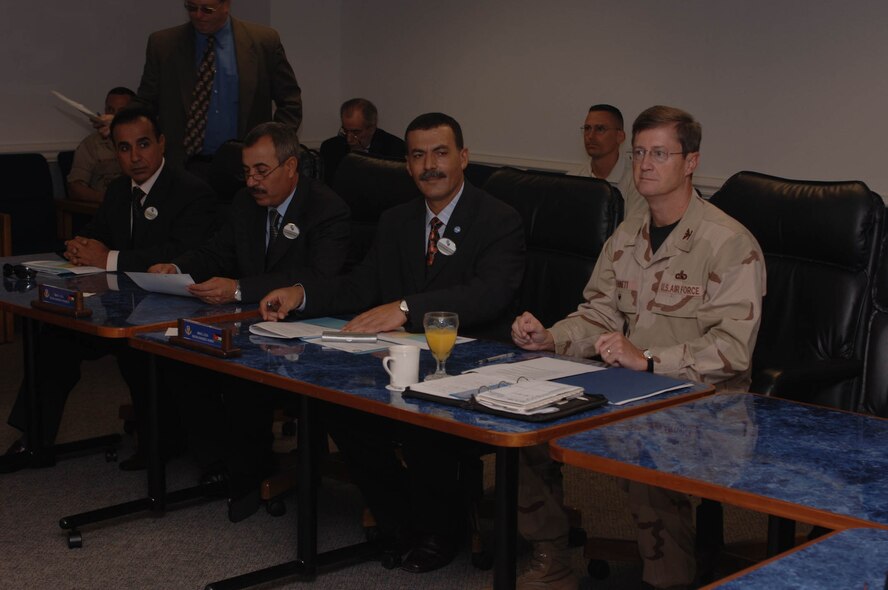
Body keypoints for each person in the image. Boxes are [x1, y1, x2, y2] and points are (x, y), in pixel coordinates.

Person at [512, 105, 766, 589]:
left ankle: (667, 580)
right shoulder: (627, 235)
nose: (645, 165)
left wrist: (649, 361)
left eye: (660, 154)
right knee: (526, 430)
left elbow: (732, 350)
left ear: (691, 162)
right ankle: (552, 557)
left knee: (645, 449)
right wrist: (552, 337)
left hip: (707, 406)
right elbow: (598, 315)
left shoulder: (728, 243)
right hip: (626, 392)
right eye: (639, 154)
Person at [260, 112, 525, 573]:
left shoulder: (499, 219)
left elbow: (488, 295)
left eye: (440, 153)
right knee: (337, 405)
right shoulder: (397, 220)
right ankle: (401, 519)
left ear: (463, 157)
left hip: (473, 359)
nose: (430, 166)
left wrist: (406, 308)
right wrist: (301, 294)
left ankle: (440, 531)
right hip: (403, 357)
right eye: (418, 155)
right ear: (407, 164)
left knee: (422, 414)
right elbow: (360, 286)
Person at [146, 122, 350, 519]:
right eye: (246, 171)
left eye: (261, 171)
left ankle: (247, 478)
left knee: (241, 373)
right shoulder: (244, 203)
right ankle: (219, 460)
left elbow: (319, 277)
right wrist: (177, 267)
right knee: (180, 358)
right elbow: (217, 252)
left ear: (291, 167)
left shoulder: (327, 209)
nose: (252, 181)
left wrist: (239, 288)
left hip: (307, 330)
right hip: (252, 322)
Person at [4, 105, 218, 471]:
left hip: (168, 311)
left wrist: (109, 258)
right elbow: (99, 234)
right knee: (53, 338)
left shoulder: (191, 191)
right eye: (124, 148)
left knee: (137, 353)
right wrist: (79, 246)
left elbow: (182, 253)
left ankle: (161, 444)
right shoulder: (118, 190)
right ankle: (35, 438)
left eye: (143, 144)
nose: (135, 157)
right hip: (115, 307)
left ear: (162, 143)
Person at [112, 0, 302, 174]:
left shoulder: (263, 42)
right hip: (182, 167)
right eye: (191, 8)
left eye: (207, 9)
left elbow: (290, 101)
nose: (198, 15)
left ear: (226, 5)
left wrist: (273, 146)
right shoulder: (163, 44)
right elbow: (146, 101)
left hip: (245, 167)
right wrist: (119, 121)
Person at [570, 104, 646, 220]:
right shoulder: (572, 178)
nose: (590, 136)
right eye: (587, 128)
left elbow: (635, 227)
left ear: (620, 136)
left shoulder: (638, 180)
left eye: (600, 129)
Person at [66, 87, 135, 203]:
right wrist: (109, 199)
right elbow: (75, 188)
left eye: (121, 112)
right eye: (110, 110)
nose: (114, 116)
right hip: (104, 207)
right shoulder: (91, 144)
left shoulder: (144, 144)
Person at [319, 98, 406, 185]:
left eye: (356, 132)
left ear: (372, 128)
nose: (349, 139)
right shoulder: (330, 148)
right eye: (345, 131)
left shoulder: (394, 149)